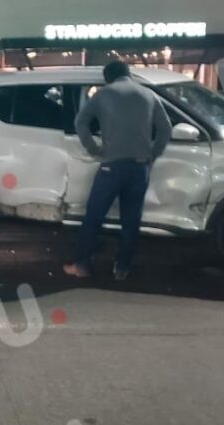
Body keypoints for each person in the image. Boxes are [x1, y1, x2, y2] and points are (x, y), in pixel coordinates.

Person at [65, 60, 172, 281]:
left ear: (108, 77)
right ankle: (122, 268)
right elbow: (166, 129)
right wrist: (153, 153)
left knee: (94, 215)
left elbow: (80, 121)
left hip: (111, 166)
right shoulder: (148, 95)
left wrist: (93, 148)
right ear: (128, 74)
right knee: (131, 219)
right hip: (140, 167)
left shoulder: (104, 94)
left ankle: (81, 264)